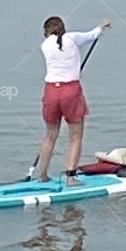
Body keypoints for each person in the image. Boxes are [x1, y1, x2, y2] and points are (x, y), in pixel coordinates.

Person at [33, 16, 111, 184]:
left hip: (51, 91)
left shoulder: (44, 45)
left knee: (50, 135)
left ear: (46, 32)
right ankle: (71, 177)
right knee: (75, 137)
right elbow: (92, 35)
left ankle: (43, 175)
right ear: (63, 28)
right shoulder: (72, 38)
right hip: (71, 91)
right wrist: (102, 26)